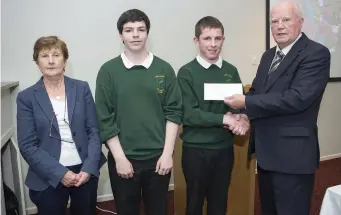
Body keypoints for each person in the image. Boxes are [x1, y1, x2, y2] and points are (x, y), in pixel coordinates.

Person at [224, 1, 331, 215]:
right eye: (274, 22)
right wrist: (243, 116)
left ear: (300, 22)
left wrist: (246, 102)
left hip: (293, 158)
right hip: (266, 155)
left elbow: (297, 98)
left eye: (286, 20)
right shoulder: (268, 56)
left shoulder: (316, 54)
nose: (279, 26)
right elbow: (256, 92)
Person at [95, 9, 183, 215]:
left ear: (147, 33)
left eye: (140, 29)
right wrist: (120, 158)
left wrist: (168, 154)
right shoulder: (108, 71)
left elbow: (173, 113)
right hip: (124, 159)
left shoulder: (164, 69)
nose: (135, 35)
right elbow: (104, 118)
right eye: (129, 30)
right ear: (121, 35)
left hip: (158, 159)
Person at [16, 36, 106, 215]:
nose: (51, 60)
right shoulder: (26, 98)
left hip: (84, 170)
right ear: (37, 63)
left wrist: (89, 168)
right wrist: (60, 173)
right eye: (44, 56)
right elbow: (27, 145)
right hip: (48, 174)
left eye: (56, 55)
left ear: (64, 60)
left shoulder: (81, 88)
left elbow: (94, 131)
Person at [177, 16, 249, 215]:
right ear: (196, 41)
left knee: (219, 203)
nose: (213, 44)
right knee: (194, 203)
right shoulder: (186, 73)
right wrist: (224, 119)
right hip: (196, 152)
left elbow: (238, 105)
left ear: (223, 40)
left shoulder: (231, 71)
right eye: (207, 38)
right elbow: (189, 114)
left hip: (224, 149)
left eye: (218, 39)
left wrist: (242, 119)